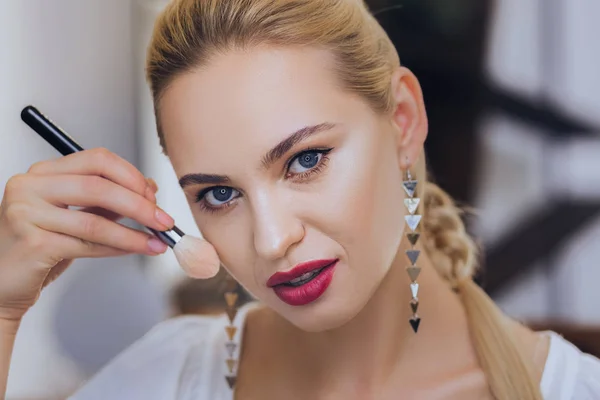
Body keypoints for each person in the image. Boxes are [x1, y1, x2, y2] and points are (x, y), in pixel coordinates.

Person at [1, 0, 599, 399]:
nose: (270, 239)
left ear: (402, 120)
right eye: (218, 193)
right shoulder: (169, 379)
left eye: (305, 160)